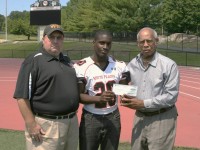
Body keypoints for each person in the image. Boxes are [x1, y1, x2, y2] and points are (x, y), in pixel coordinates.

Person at [13, 24, 79, 150]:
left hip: (71, 122)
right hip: (47, 125)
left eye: (59, 37)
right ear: (44, 39)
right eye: (51, 37)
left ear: (63, 40)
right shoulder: (33, 61)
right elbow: (21, 96)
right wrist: (31, 123)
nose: (55, 41)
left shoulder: (66, 60)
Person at [121, 27, 180, 150]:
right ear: (138, 44)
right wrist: (123, 94)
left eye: (149, 41)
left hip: (162, 117)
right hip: (140, 116)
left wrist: (143, 103)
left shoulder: (168, 65)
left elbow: (171, 97)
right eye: (142, 42)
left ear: (156, 41)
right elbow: (125, 85)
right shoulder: (132, 64)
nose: (146, 45)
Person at [74, 30, 130, 150]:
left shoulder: (119, 65)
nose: (105, 47)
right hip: (91, 117)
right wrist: (99, 98)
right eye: (102, 43)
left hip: (113, 116)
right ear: (94, 43)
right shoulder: (82, 66)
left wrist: (129, 93)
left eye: (108, 44)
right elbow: (78, 96)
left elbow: (124, 91)